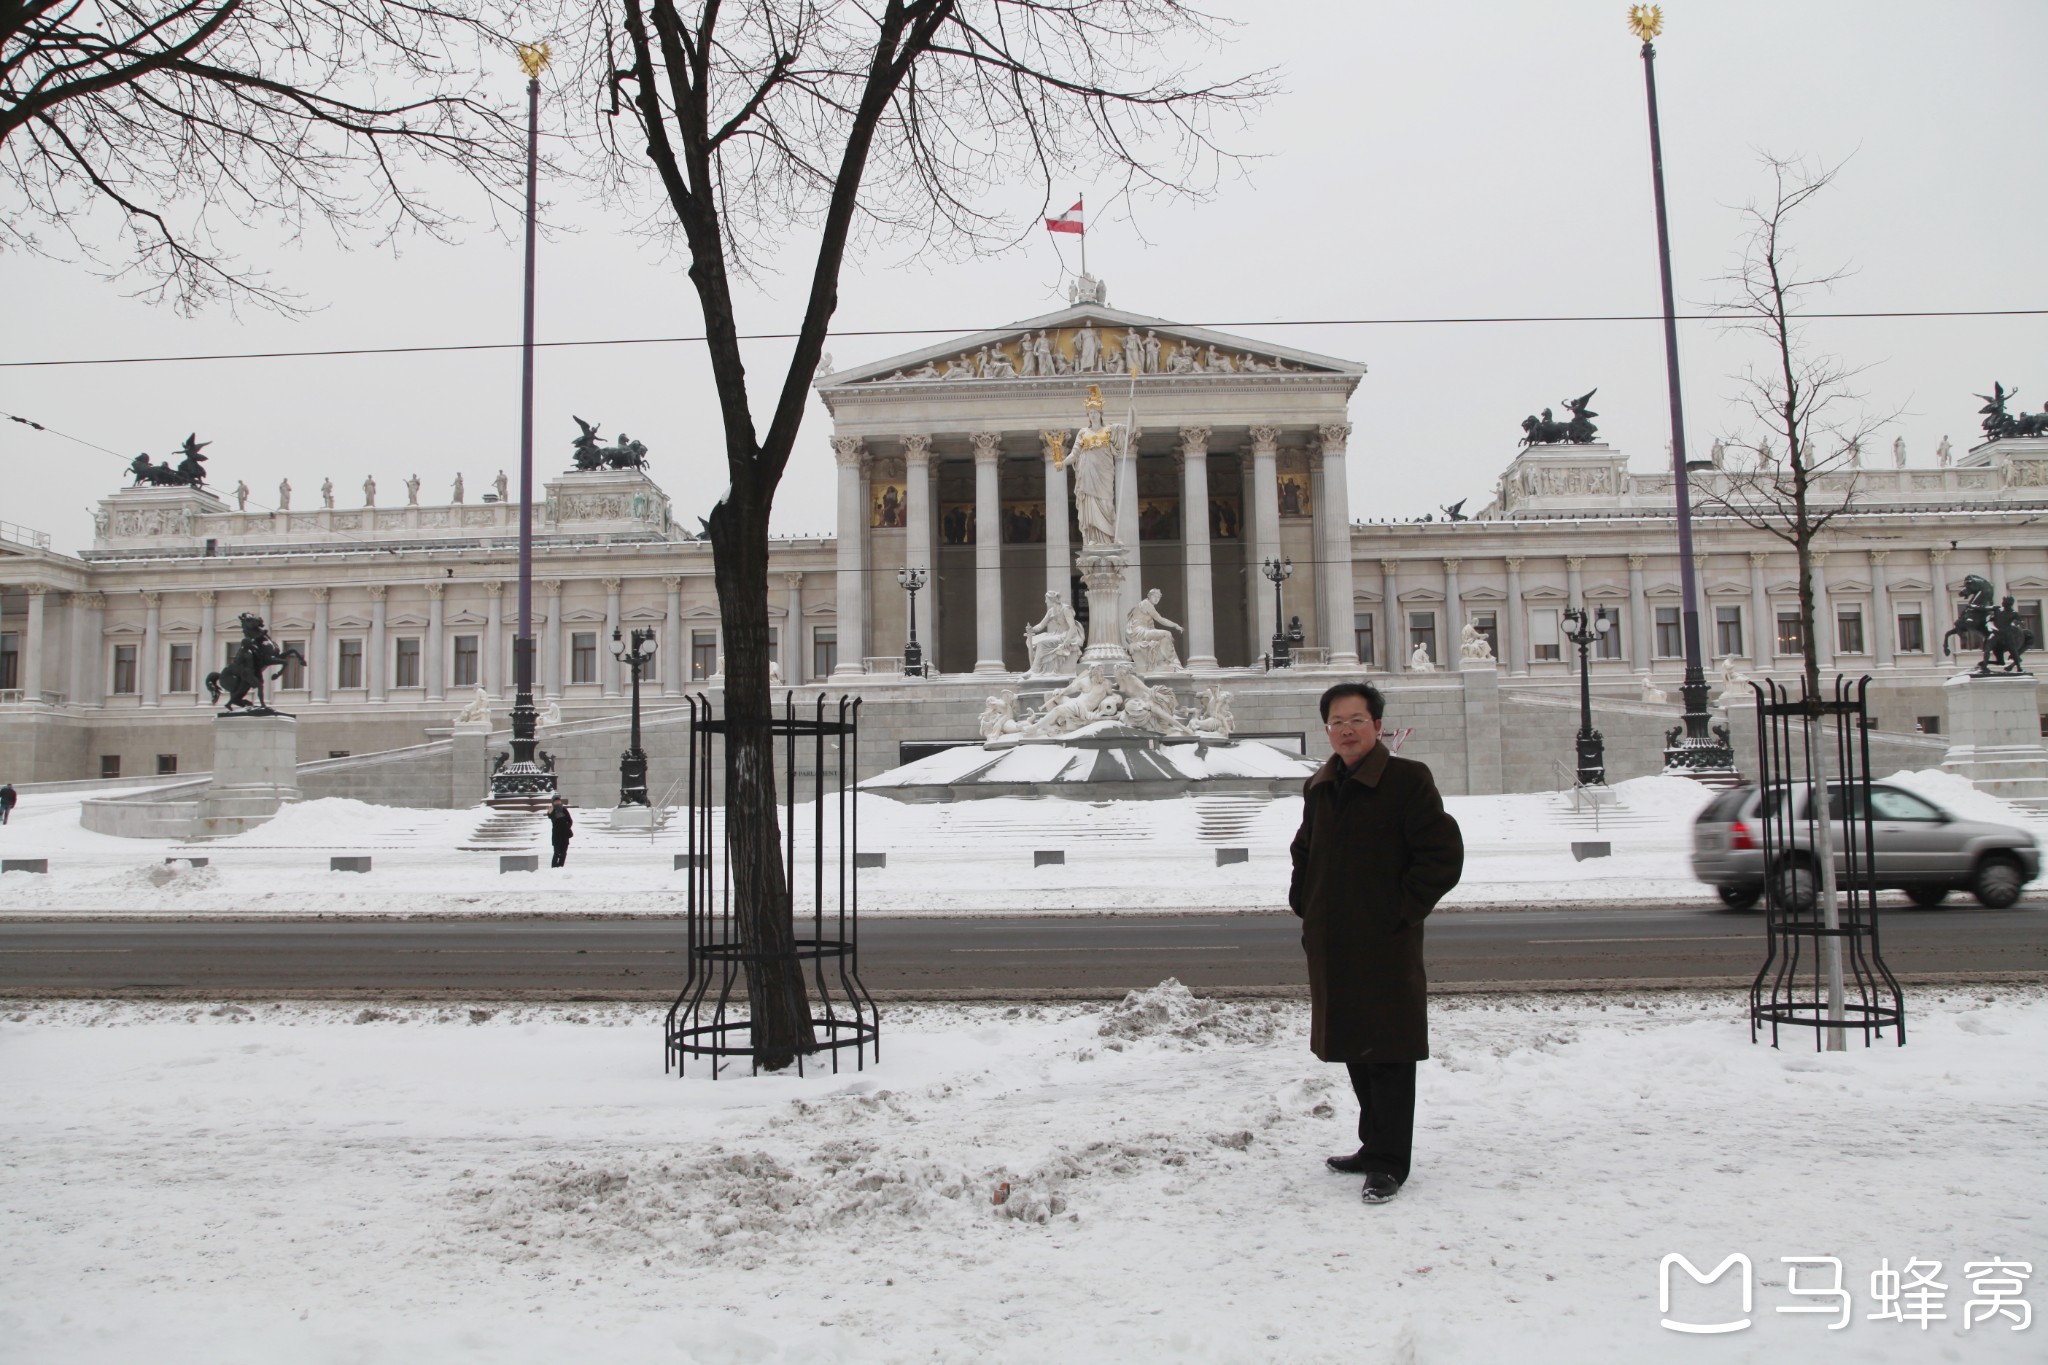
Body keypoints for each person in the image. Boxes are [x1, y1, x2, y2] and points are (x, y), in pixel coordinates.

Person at [1289, 681, 1464, 1206]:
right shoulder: (1320, 785)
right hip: (1333, 940)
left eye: (1356, 720)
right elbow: (1304, 850)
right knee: (1354, 1049)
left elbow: (1441, 855)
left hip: (1384, 943)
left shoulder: (1407, 780)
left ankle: (1390, 1163)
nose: (1346, 730)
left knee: (1388, 1053)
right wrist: (1306, 902)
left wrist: (1400, 912)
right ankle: (1373, 1146)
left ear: (1377, 725)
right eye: (1336, 722)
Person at [548, 796, 574, 867]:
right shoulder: (551, 809)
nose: (557, 803)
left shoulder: (564, 810)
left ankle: (560, 866)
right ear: (553, 802)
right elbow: (550, 816)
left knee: (563, 853)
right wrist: (552, 812)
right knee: (556, 852)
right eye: (556, 802)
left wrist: (567, 827)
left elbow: (570, 821)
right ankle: (554, 867)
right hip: (556, 835)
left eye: (559, 801)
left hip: (565, 835)